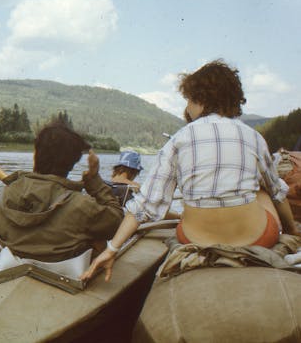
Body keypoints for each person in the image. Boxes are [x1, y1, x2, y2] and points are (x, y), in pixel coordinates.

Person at [82, 59, 300, 282]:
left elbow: (145, 206)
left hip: (194, 238)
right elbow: (278, 193)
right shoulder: (253, 136)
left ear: (201, 99)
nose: (187, 108)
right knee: (263, 190)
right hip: (256, 238)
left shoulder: (178, 140)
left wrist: (112, 249)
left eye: (188, 101)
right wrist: (292, 231)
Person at [0, 121, 123, 277]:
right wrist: (94, 181)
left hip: (16, 272)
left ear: (36, 153)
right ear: (72, 163)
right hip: (68, 277)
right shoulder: (83, 206)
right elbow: (116, 222)